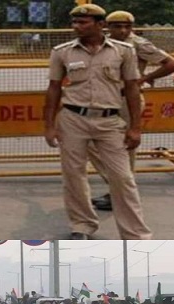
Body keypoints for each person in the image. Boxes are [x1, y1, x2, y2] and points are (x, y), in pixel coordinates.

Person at [43, 4, 152, 240]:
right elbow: (53, 89)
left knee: (123, 178)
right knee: (74, 175)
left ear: (100, 25)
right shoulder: (61, 52)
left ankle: (136, 236)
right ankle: (82, 226)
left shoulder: (123, 51)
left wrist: (135, 127)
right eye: (75, 22)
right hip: (73, 119)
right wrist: (49, 125)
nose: (77, 27)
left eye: (83, 22)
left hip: (110, 121)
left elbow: (132, 88)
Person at [88, 11, 174, 211]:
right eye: (117, 26)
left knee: (125, 148)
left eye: (127, 26)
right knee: (91, 143)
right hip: (104, 101)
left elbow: (173, 64)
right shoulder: (103, 43)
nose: (123, 30)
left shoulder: (138, 44)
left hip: (126, 101)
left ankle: (121, 194)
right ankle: (119, 189)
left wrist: (141, 80)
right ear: (107, 26)